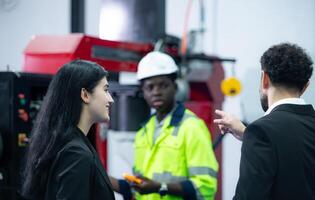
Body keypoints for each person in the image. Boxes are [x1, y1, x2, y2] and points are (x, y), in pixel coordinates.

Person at [214, 43, 315, 200]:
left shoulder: (261, 132)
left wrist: (253, 136)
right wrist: (248, 135)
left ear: (265, 79)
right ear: (305, 86)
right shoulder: (260, 133)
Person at [114, 51, 218, 200]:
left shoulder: (192, 127)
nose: (156, 92)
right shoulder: (143, 132)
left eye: (163, 86)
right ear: (143, 92)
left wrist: (160, 187)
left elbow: (206, 188)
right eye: (150, 87)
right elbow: (138, 189)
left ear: (175, 87)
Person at [21, 60, 115, 200]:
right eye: (106, 90)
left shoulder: (63, 144)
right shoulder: (76, 154)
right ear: (85, 95)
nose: (111, 99)